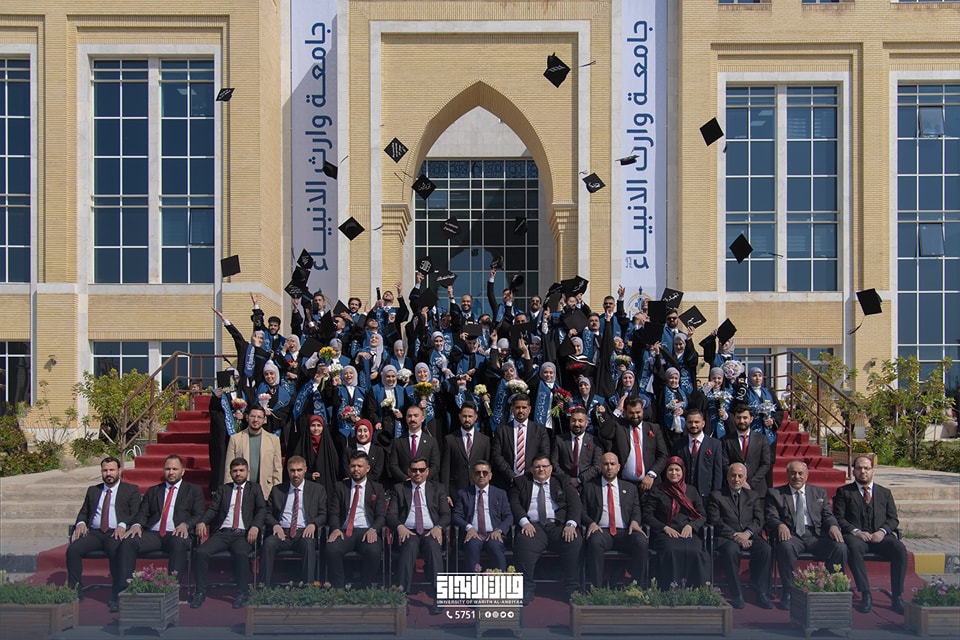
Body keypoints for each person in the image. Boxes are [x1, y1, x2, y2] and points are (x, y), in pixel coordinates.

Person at [118, 455, 204, 602]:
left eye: (175, 469)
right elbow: (143, 513)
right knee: (128, 542)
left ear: (182, 471)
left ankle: (171, 590)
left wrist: (185, 525)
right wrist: (137, 525)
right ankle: (126, 589)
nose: (171, 472)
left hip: (177, 532)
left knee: (178, 542)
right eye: (168, 469)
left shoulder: (193, 490)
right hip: (154, 533)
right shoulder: (154, 491)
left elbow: (199, 514)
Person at [765, 460, 847, 610]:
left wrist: (833, 526)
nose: (797, 476)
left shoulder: (819, 492)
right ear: (787, 475)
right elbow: (771, 516)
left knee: (840, 547)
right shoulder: (775, 493)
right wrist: (780, 525)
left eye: (800, 473)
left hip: (816, 535)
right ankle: (789, 591)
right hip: (792, 535)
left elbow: (827, 515)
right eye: (793, 473)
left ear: (807, 475)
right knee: (785, 547)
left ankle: (832, 589)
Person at [833, 455, 907, 614]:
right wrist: (856, 532)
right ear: (853, 471)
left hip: (881, 537)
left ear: (873, 471)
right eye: (859, 468)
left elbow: (893, 519)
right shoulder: (844, 492)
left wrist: (882, 531)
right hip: (857, 538)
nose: (863, 472)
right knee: (852, 547)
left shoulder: (885, 493)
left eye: (867, 468)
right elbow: (839, 518)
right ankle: (865, 593)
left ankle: (897, 596)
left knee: (899, 548)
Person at [66, 456, 142, 610]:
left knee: (117, 550)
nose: (108, 474)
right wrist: (81, 523)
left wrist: (123, 525)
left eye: (112, 470)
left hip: (116, 533)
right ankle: (75, 592)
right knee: (73, 550)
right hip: (95, 533)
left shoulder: (131, 490)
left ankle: (117, 595)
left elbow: (136, 513)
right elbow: (84, 512)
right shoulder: (93, 490)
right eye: (105, 470)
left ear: (119, 470)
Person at [191, 457, 266, 609]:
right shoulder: (224, 489)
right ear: (230, 473)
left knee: (241, 553)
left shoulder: (254, 488)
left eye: (241, 470)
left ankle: (242, 593)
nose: (238, 474)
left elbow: (261, 510)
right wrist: (202, 521)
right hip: (223, 533)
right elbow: (213, 509)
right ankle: (200, 592)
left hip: (243, 533)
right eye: (235, 471)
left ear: (247, 472)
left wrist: (255, 526)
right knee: (201, 552)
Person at [508, 454, 583, 604]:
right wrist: (524, 522)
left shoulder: (562, 481)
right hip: (533, 526)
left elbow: (575, 504)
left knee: (574, 541)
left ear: (551, 468)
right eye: (537, 467)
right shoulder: (521, 482)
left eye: (544, 466)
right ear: (531, 469)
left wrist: (570, 524)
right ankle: (526, 588)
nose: (541, 469)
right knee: (523, 541)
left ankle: (572, 588)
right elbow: (514, 504)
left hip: (558, 526)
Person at [386, 456, 451, 614]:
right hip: (408, 531)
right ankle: (401, 596)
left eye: (421, 470)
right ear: (409, 471)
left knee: (432, 547)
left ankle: (439, 595)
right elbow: (391, 515)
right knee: (410, 546)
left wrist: (438, 527)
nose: (418, 473)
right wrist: (400, 527)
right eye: (414, 470)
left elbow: (446, 514)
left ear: (427, 471)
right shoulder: (399, 489)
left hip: (431, 531)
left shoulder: (438, 488)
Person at [707, 463, 773, 609]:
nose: (736, 479)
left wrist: (747, 533)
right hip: (727, 536)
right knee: (731, 551)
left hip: (749, 534)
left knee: (765, 550)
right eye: (733, 475)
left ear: (745, 478)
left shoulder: (753, 495)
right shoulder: (717, 496)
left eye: (740, 476)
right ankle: (736, 593)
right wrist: (735, 535)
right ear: (727, 477)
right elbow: (715, 521)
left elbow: (759, 520)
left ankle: (762, 592)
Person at [641, 456, 711, 588]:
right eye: (670, 470)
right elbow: (647, 515)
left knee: (696, 551)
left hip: (688, 532)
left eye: (677, 470)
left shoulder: (691, 490)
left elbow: (702, 515)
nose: (674, 473)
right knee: (672, 550)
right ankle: (670, 589)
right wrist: (664, 528)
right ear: (666, 472)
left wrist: (691, 526)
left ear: (683, 472)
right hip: (666, 533)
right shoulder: (658, 490)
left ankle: (697, 590)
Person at [581, 452, 648, 589]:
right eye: (606, 464)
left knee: (641, 541)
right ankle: (597, 589)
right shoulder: (590, 487)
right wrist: (591, 523)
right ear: (600, 466)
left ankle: (638, 588)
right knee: (594, 541)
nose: (609, 467)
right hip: (602, 531)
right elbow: (581, 511)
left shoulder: (630, 488)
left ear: (618, 467)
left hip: (625, 532)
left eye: (612, 464)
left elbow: (636, 510)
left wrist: (635, 521)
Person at [261, 456, 327, 585]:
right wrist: (275, 525)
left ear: (305, 470)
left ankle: (308, 587)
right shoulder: (277, 490)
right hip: (282, 533)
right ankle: (264, 586)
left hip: (304, 533)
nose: (296, 474)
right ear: (287, 470)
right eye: (292, 470)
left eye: (299, 470)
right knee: (268, 543)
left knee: (308, 544)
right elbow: (267, 513)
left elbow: (323, 514)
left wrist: (314, 524)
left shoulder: (317, 490)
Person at [326, 451, 387, 588]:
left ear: (367, 468)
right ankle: (339, 588)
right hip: (345, 531)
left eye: (360, 466)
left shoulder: (377, 488)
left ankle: (365, 587)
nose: (356, 469)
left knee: (374, 551)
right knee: (332, 549)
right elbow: (334, 512)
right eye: (353, 466)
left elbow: (381, 515)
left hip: (367, 530)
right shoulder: (340, 487)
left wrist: (374, 529)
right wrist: (335, 529)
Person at [595, 398, 668, 492]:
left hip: (650, 485)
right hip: (625, 485)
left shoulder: (654, 428)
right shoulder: (619, 426)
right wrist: (617, 411)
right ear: (625, 412)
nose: (635, 416)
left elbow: (663, 455)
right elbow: (604, 433)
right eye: (631, 413)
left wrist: (651, 474)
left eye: (638, 412)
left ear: (643, 411)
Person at [452, 460, 513, 572]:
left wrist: (499, 530)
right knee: (472, 546)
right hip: (473, 533)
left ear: (490, 476)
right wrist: (468, 527)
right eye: (477, 473)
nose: (481, 475)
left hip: (493, 533)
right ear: (473, 476)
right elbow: (456, 515)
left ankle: (500, 580)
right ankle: (473, 581)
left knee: (495, 546)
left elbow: (509, 516)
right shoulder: (464, 493)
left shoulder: (500, 493)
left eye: (484, 473)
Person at [491, 393, 551, 489]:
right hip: (507, 481)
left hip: (532, 481)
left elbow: (544, 453)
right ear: (512, 408)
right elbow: (496, 455)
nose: (521, 411)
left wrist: (529, 475)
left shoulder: (540, 430)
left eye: (524, 407)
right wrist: (512, 476)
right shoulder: (502, 430)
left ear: (529, 409)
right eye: (517, 407)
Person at [224, 405, 283, 499]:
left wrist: (277, 493)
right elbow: (228, 469)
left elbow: (277, 470)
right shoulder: (235, 439)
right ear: (247, 418)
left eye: (259, 417)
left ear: (264, 420)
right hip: (242, 491)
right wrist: (229, 492)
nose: (256, 420)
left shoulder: (274, 440)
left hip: (266, 491)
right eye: (252, 416)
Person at [440, 403, 492, 505]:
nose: (467, 419)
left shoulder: (484, 440)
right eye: (464, 416)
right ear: (459, 416)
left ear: (475, 417)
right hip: (456, 492)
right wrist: (446, 493)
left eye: (470, 416)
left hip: (478, 489)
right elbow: (445, 468)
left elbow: (487, 466)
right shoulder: (450, 439)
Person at [673, 409, 723, 504]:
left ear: (703, 423)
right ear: (686, 423)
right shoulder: (678, 444)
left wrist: (716, 496)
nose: (693, 425)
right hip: (683, 495)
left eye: (697, 422)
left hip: (706, 496)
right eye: (690, 422)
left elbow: (718, 473)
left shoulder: (715, 444)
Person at [721, 404, 772, 496]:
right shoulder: (726, 440)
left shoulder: (761, 439)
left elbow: (765, 464)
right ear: (734, 419)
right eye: (738, 418)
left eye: (745, 418)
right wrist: (738, 480)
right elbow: (724, 464)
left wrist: (750, 483)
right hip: (733, 489)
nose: (742, 421)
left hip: (757, 490)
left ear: (751, 419)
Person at [387, 404, 441, 484]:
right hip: (404, 486)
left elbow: (435, 466)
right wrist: (406, 479)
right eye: (409, 416)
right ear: (406, 419)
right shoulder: (398, 442)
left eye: (416, 416)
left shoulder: (431, 442)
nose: (412, 419)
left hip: (426, 485)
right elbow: (393, 465)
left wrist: (422, 479)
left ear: (422, 418)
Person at [551, 405, 602, 491]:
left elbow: (597, 466)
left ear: (586, 423)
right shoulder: (559, 439)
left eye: (580, 421)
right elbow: (554, 463)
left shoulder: (594, 441)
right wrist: (567, 479)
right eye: (573, 420)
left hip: (587, 485)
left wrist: (579, 480)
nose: (576, 424)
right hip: (564, 485)